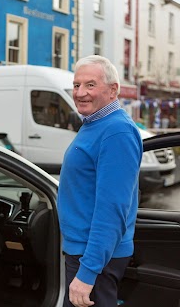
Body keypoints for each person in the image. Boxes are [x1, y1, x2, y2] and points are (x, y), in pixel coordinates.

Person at [57, 55, 143, 307]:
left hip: (94, 257)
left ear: (113, 89)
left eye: (90, 85)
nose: (80, 93)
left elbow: (112, 210)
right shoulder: (97, 123)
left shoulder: (116, 131)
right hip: (87, 253)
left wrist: (87, 272)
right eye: (76, 85)